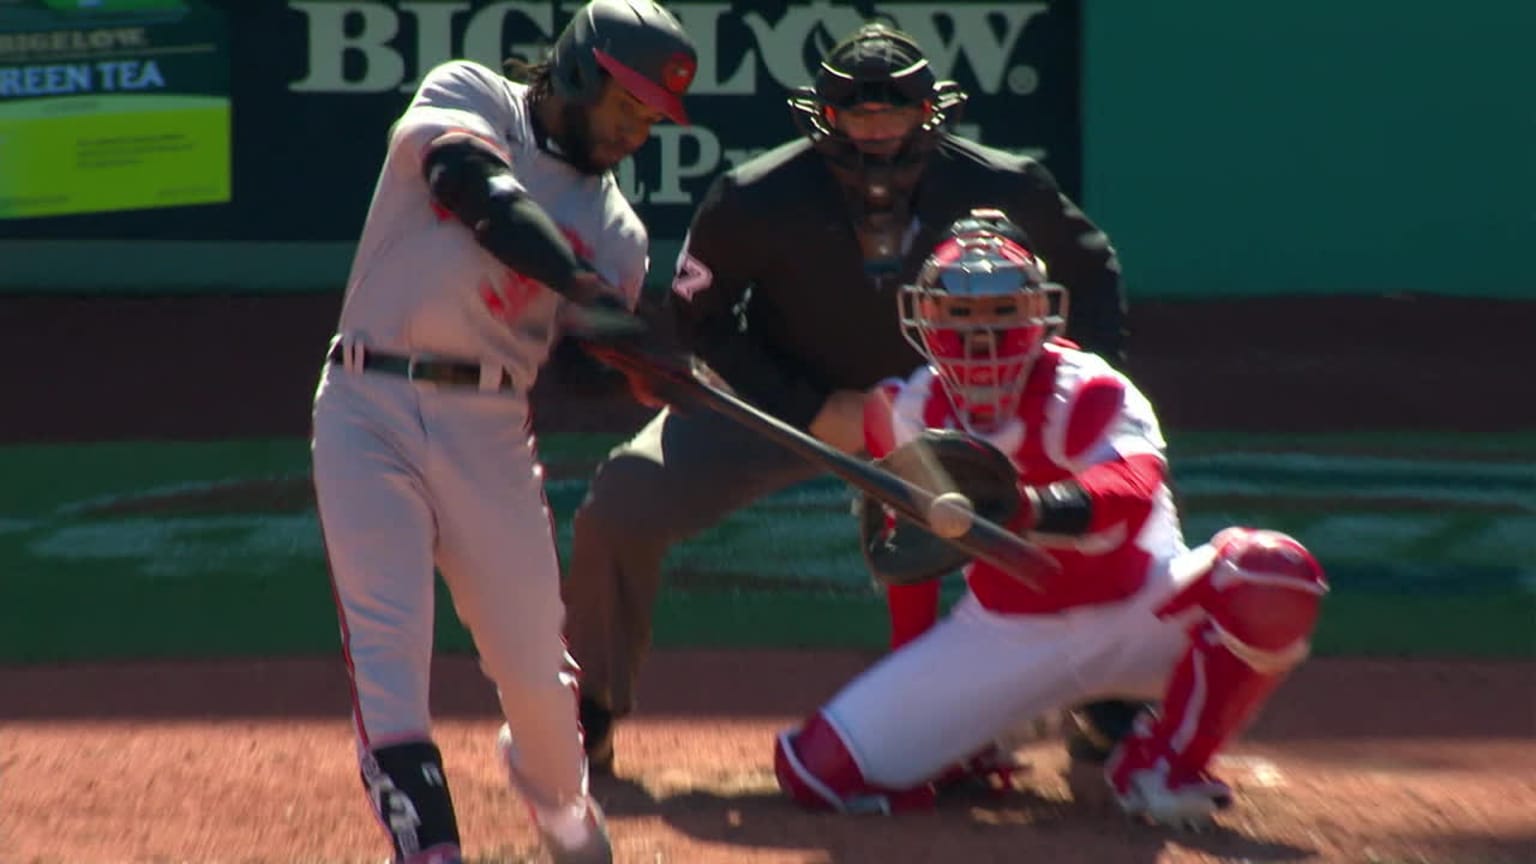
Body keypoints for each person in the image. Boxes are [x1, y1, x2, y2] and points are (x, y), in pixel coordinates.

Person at [564, 21, 1142, 776]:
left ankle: (1105, 701)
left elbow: (1091, 269)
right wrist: (809, 407)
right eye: (858, 114)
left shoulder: (1004, 185)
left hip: (963, 417)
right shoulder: (756, 195)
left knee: (1072, 509)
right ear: (823, 116)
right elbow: (702, 321)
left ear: (932, 113)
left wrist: (1059, 396)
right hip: (789, 408)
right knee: (623, 500)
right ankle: (590, 712)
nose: (876, 131)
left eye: (894, 112)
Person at [772, 209, 1328, 827]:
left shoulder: (1091, 389)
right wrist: (916, 660)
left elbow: (1132, 487)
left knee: (1271, 575)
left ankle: (1166, 761)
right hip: (1007, 632)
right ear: (925, 317)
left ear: (1039, 315)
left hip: (1141, 612)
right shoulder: (912, 407)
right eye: (960, 314)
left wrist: (1027, 507)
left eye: (1001, 311)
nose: (980, 334)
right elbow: (914, 560)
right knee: (814, 774)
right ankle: (996, 732)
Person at [307, 2, 696, 862]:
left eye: (651, 119)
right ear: (580, 73)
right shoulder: (473, 94)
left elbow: (588, 360)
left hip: (486, 427)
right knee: (389, 647)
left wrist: (644, 364)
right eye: (626, 106)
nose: (638, 131)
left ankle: (559, 801)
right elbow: (471, 189)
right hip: (365, 403)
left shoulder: (618, 232)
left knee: (536, 677)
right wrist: (580, 283)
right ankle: (431, 848)